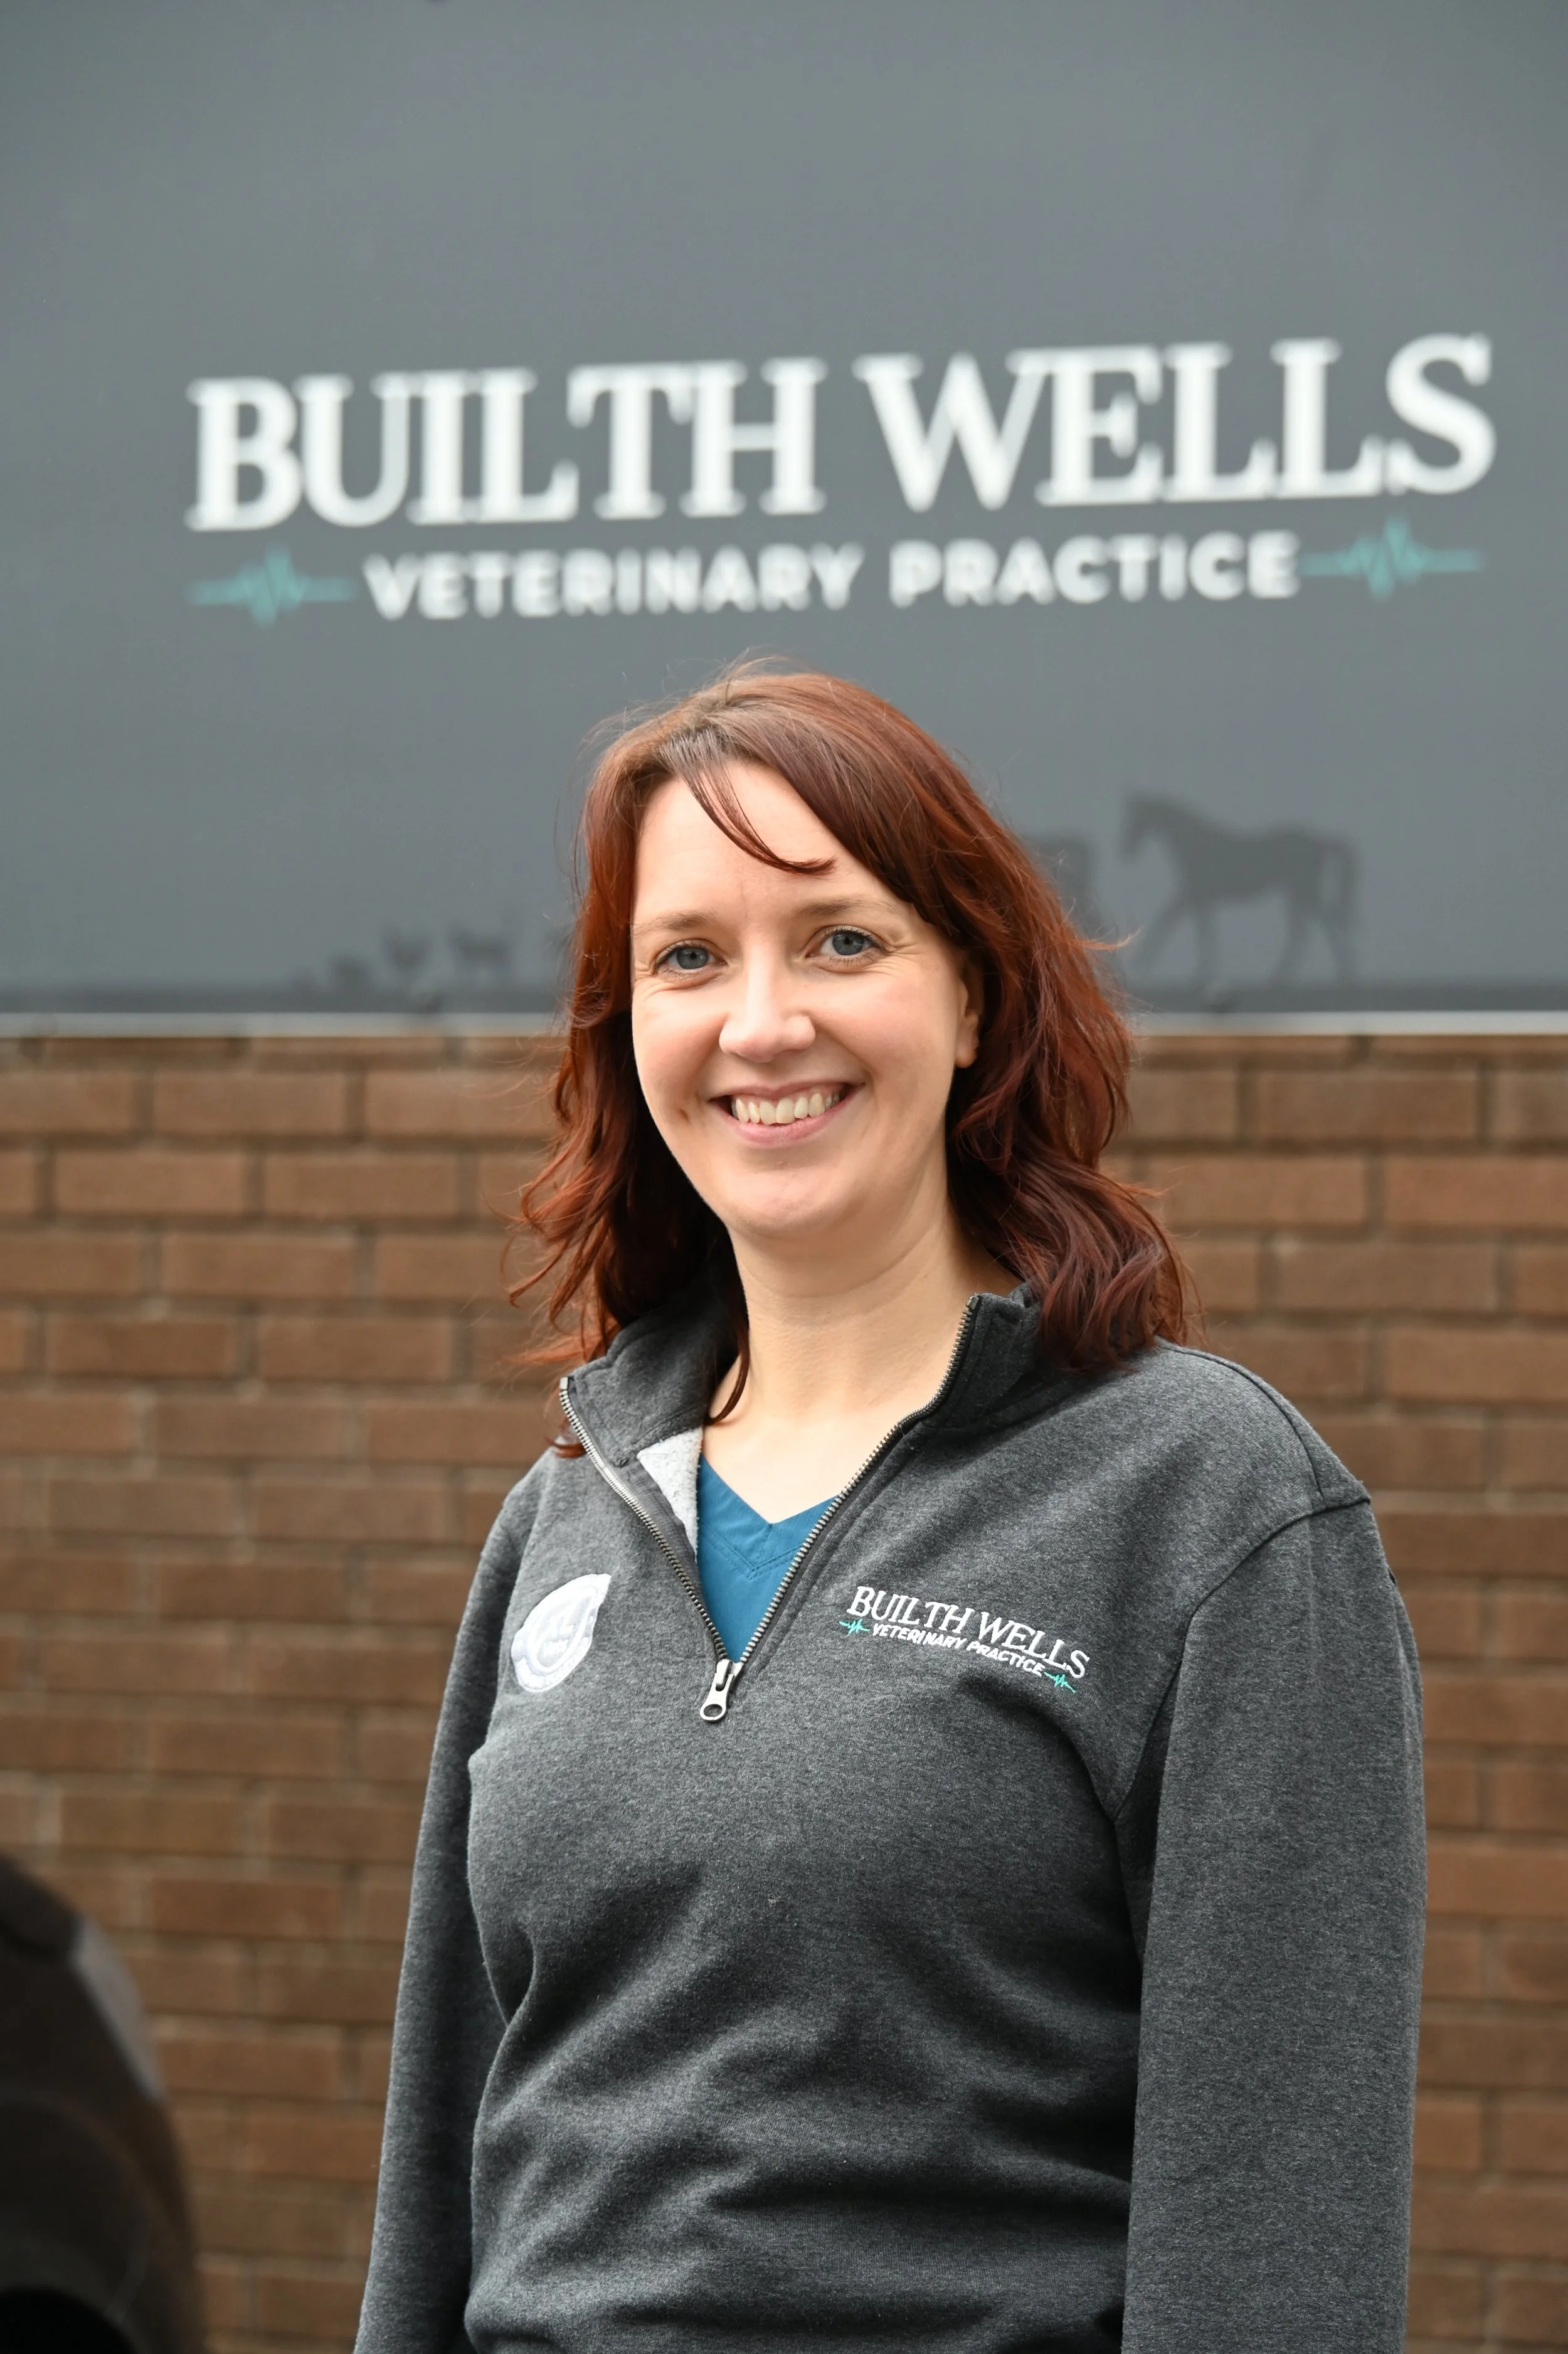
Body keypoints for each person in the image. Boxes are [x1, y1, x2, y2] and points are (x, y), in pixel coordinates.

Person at [355, 667, 1424, 2354]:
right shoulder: (563, 1512)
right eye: (688, 957)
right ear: (626, 1029)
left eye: (840, 941)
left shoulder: (1206, 1508)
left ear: (976, 998)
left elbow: (1278, 2222)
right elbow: (447, 2143)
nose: (760, 1022)